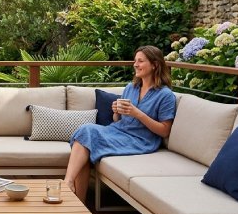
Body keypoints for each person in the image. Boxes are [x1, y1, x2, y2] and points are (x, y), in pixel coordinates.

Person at [64, 45, 176, 202]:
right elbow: (118, 120)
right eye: (135, 61)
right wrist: (116, 111)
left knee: (86, 134)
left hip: (140, 140)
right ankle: (76, 197)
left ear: (155, 65)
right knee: (85, 135)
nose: (135, 64)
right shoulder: (131, 87)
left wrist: (137, 113)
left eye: (140, 61)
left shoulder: (165, 95)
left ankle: (69, 185)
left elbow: (164, 130)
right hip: (118, 131)